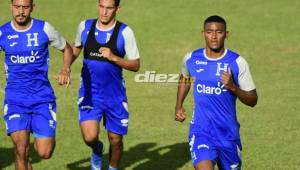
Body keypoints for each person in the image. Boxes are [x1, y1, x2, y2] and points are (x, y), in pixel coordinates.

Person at [175, 15, 258, 170]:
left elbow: (253, 100)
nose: (213, 36)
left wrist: (233, 87)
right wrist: (178, 105)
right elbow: (184, 77)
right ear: (203, 33)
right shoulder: (191, 58)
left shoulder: (237, 63)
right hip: (201, 130)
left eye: (218, 32)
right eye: (209, 32)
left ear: (226, 34)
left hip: (228, 134)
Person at [0, 0, 74, 169]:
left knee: (44, 152)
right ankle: (24, 154)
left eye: (25, 7)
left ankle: (30, 148)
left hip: (42, 98)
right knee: (20, 150)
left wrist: (65, 70)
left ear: (33, 7)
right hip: (15, 100)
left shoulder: (44, 29)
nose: (20, 12)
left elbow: (67, 49)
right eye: (17, 7)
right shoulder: (2, 33)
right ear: (11, 6)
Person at [72, 0, 140, 169]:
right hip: (90, 92)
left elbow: (136, 65)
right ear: (97, 5)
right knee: (89, 137)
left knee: (116, 140)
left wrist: (114, 57)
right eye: (101, 7)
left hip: (114, 95)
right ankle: (97, 150)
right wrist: (66, 67)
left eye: (109, 8)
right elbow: (75, 48)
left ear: (117, 9)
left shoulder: (125, 32)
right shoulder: (84, 27)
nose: (104, 12)